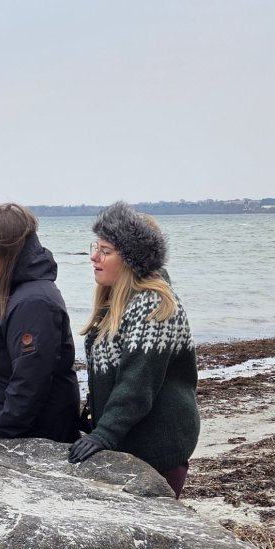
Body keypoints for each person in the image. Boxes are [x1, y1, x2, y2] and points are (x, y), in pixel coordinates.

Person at [68, 201, 199, 497]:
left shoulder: (153, 304)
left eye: (105, 250)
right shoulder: (116, 301)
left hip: (157, 450)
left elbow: (136, 386)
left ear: (130, 259)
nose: (93, 256)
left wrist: (104, 435)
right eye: (96, 247)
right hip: (131, 443)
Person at [0, 203, 79, 442]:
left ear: (9, 252)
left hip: (29, 441)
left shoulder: (34, 303)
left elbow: (28, 387)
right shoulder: (2, 292)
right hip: (4, 433)